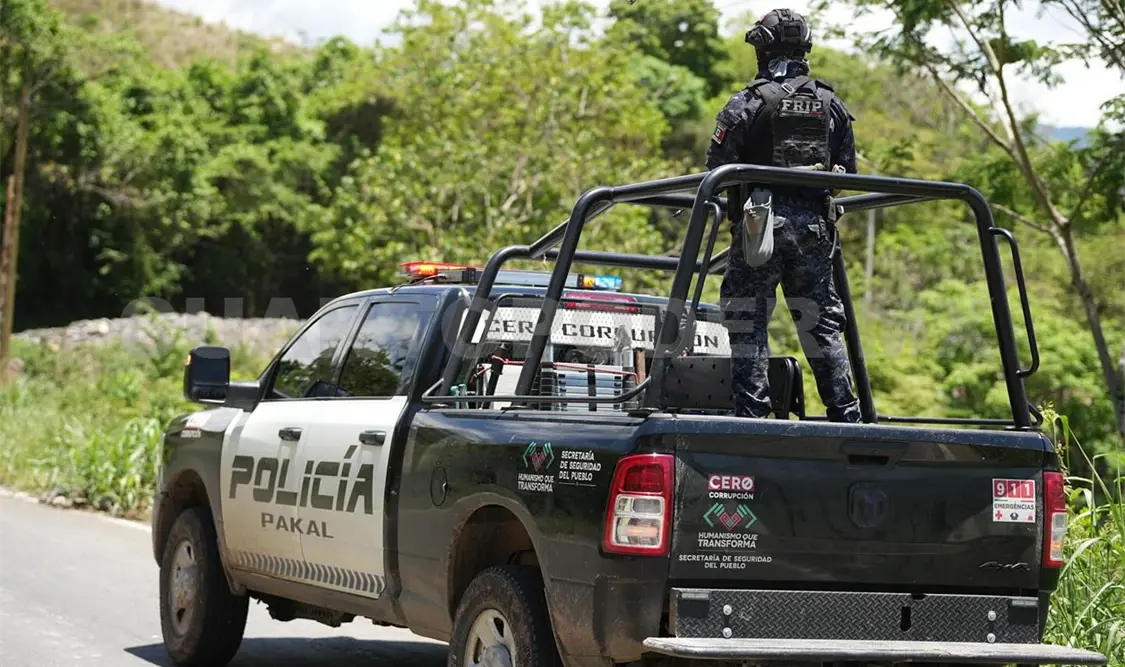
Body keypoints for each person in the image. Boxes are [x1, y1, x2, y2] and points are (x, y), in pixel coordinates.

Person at [705, 8, 861, 423]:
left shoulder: (747, 103)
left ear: (761, 47)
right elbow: (846, 173)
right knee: (821, 324)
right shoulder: (831, 104)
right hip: (814, 228)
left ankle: (752, 418)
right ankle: (846, 417)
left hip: (759, 227)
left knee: (747, 317)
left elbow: (716, 169)